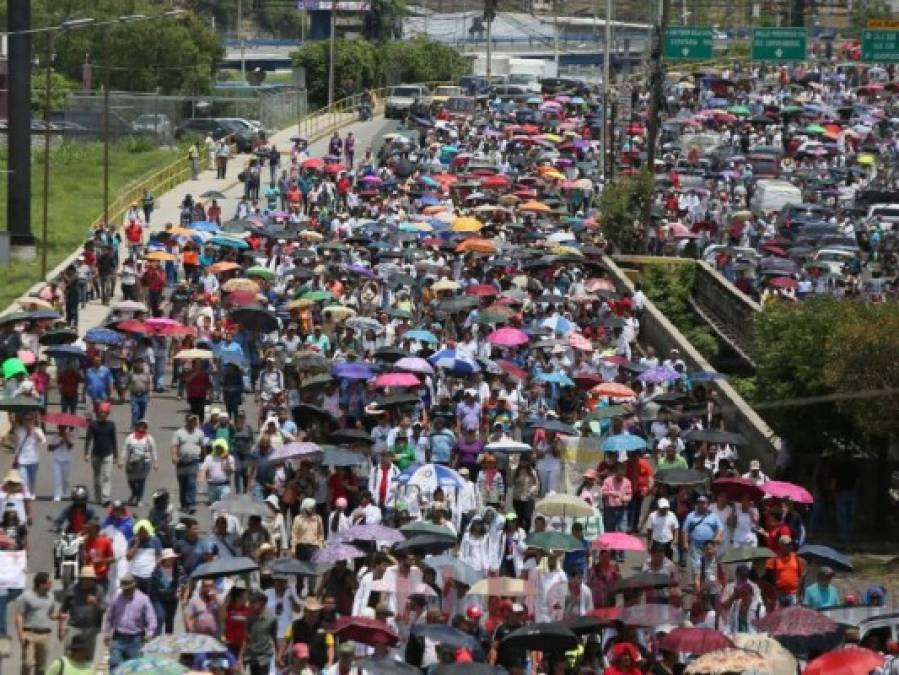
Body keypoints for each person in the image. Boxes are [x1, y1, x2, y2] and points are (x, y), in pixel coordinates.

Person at [103, 574, 156, 669]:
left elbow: (151, 618)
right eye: (124, 589)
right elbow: (109, 616)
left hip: (136, 638)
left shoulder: (143, 599)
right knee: (114, 662)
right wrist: (107, 632)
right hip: (118, 636)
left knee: (134, 666)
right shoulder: (116, 598)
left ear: (133, 586)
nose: (125, 591)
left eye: (127, 588)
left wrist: (150, 633)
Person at [15, 572, 62, 675]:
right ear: (41, 584)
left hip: (44, 635)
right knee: (28, 663)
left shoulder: (51, 597)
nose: (51, 585)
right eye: (49, 583)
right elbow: (19, 616)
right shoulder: (26, 596)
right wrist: (21, 635)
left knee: (41, 667)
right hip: (29, 633)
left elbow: (49, 615)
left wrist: (58, 617)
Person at [59, 566, 106, 661]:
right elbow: (63, 610)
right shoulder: (72, 589)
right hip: (73, 627)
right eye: (86, 579)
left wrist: (95, 603)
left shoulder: (98, 590)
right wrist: (60, 628)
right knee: (69, 655)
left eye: (91, 579)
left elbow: (104, 609)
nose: (89, 582)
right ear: (81, 579)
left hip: (91, 628)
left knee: (88, 656)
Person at [84, 402, 118, 505]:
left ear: (108, 414)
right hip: (96, 454)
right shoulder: (93, 425)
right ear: (98, 413)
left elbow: (114, 440)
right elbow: (88, 439)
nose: (103, 414)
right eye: (101, 412)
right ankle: (97, 498)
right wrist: (86, 453)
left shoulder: (111, 425)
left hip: (108, 454)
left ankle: (105, 498)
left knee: (107, 476)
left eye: (105, 413)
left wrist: (116, 455)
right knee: (96, 477)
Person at [170, 414, 205, 513]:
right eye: (191, 420)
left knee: (191, 482)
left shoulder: (200, 433)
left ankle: (191, 504)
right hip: (181, 461)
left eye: (195, 420)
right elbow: (174, 446)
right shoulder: (179, 433)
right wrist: (174, 456)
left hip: (194, 461)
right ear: (186, 421)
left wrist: (203, 457)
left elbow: (203, 446)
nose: (193, 422)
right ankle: (184, 504)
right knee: (183, 483)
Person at [122, 420, 158, 506]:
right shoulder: (130, 437)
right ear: (137, 426)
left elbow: (154, 451)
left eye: (144, 426)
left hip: (145, 462)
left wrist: (156, 462)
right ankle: (135, 493)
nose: (142, 427)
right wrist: (121, 460)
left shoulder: (149, 438)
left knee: (141, 480)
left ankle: (139, 499)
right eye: (140, 425)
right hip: (132, 462)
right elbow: (125, 449)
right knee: (131, 480)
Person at [244, 589, 278, 675]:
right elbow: (246, 637)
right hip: (252, 656)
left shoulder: (271, 618)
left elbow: (274, 637)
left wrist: (278, 655)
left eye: (253, 602)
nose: (250, 604)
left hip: (264, 657)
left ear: (262, 603)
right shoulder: (249, 617)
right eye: (250, 601)